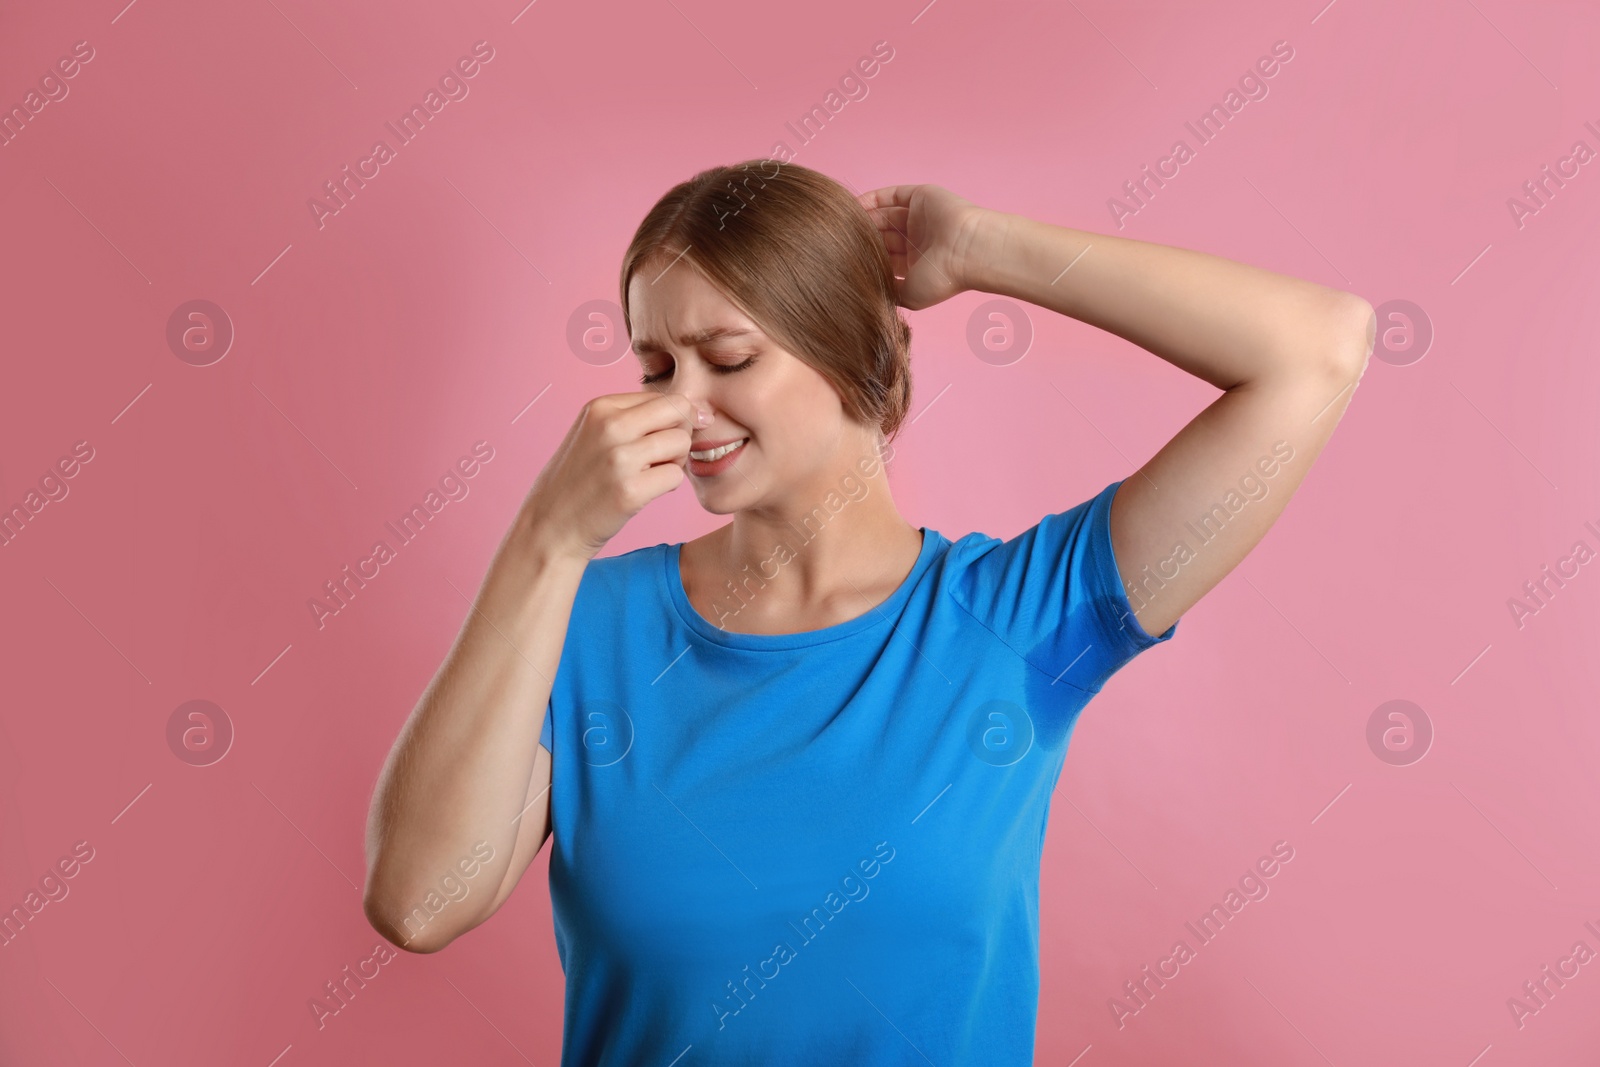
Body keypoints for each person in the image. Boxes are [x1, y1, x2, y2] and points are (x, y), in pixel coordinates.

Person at [361, 159, 1375, 1064]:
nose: (680, 404)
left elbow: (1319, 348)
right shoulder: (583, 620)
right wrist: (546, 537)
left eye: (729, 357)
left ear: (859, 356)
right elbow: (418, 901)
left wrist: (980, 246)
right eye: (655, 367)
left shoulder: (1018, 620)